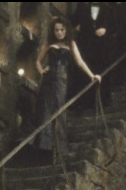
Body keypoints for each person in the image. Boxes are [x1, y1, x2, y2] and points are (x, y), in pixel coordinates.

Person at [33, 17, 101, 154]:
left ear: (66, 30)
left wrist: (92, 75)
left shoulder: (71, 44)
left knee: (59, 108)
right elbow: (38, 61)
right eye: (56, 30)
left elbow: (80, 62)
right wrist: (41, 71)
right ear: (53, 31)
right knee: (45, 108)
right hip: (48, 79)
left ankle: (59, 147)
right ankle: (43, 147)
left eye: (62, 30)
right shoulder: (49, 43)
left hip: (62, 81)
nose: (59, 33)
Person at [71, 3, 112, 108]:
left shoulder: (107, 9)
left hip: (101, 49)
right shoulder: (82, 7)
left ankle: (103, 102)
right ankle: (85, 103)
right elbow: (72, 22)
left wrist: (106, 30)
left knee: (102, 72)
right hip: (86, 47)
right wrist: (78, 28)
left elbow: (115, 27)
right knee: (85, 73)